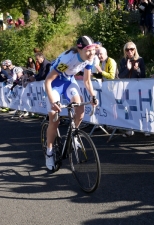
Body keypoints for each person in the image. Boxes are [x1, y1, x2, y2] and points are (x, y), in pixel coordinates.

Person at [44, 36, 98, 170]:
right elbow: (48, 81)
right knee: (54, 118)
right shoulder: (68, 60)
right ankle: (49, 152)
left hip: (69, 81)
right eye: (88, 50)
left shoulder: (91, 58)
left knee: (80, 110)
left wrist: (93, 96)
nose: (91, 53)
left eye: (93, 49)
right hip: (55, 83)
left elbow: (86, 80)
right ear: (80, 50)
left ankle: (73, 134)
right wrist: (53, 102)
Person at [119, 42, 146, 137]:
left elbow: (143, 76)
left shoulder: (140, 60)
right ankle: (130, 129)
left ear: (135, 50)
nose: (130, 51)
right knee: (127, 108)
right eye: (127, 49)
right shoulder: (123, 61)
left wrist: (137, 69)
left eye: (132, 49)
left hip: (137, 89)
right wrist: (127, 69)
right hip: (126, 88)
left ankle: (144, 128)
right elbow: (120, 76)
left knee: (139, 108)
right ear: (125, 51)